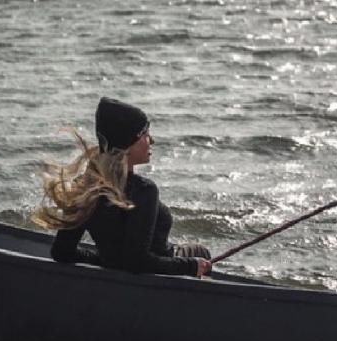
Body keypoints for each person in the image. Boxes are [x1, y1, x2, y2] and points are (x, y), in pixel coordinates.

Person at [33, 97, 212, 278]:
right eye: (145, 134)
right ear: (127, 144)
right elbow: (137, 261)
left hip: (128, 268)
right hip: (162, 273)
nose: (152, 140)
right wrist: (191, 266)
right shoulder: (144, 190)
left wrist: (107, 262)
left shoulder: (86, 188)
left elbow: (62, 252)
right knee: (201, 253)